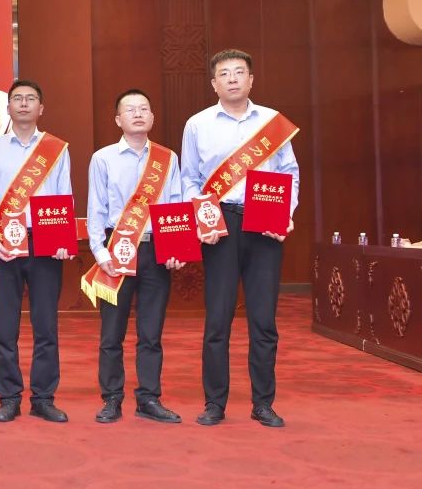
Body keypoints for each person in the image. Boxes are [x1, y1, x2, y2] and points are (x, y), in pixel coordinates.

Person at [181, 49, 299, 428]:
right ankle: (214, 403)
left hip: (265, 223)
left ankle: (263, 404)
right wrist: (202, 214)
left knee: (263, 320)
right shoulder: (197, 125)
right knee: (218, 319)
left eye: (239, 72)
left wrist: (285, 215)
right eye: (224, 74)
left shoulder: (272, 122)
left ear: (251, 80)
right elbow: (189, 178)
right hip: (220, 223)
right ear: (214, 83)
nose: (232, 78)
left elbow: (290, 173)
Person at [0, 79, 73, 423]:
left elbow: (64, 197)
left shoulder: (56, 149)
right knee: (5, 328)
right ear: (9, 107)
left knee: (46, 327)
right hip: (4, 247)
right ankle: (9, 397)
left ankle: (43, 398)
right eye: (18, 98)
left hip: (45, 244)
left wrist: (62, 240)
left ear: (41, 108)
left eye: (31, 98)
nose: (24, 103)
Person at [84, 89, 185, 424]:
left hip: (155, 250)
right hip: (116, 249)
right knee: (111, 333)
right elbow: (96, 208)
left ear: (152, 117)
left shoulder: (167, 159)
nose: (138, 114)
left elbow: (175, 203)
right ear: (118, 119)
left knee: (151, 333)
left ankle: (149, 399)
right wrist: (99, 251)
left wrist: (174, 248)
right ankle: (111, 398)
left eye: (144, 108)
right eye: (130, 109)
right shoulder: (103, 158)